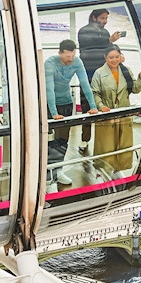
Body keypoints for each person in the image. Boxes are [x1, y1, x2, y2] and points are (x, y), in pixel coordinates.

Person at [45, 39, 98, 186]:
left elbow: (85, 84)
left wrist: (93, 106)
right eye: (67, 56)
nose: (70, 59)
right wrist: (53, 112)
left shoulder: (77, 61)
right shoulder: (50, 63)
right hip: (49, 104)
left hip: (67, 103)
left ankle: (59, 171)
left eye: (72, 56)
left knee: (63, 139)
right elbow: (49, 89)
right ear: (60, 53)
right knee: (46, 141)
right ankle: (46, 172)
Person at [91, 44, 141, 178]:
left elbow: (135, 89)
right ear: (105, 58)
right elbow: (94, 93)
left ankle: (119, 167)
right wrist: (101, 106)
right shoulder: (99, 73)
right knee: (106, 143)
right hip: (107, 113)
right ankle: (102, 168)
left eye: (116, 56)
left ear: (120, 56)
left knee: (123, 142)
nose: (114, 60)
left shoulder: (126, 71)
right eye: (111, 57)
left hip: (124, 112)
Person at [77, 8, 123, 153]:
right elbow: (89, 46)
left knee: (106, 104)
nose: (105, 21)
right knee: (88, 107)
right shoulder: (84, 31)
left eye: (106, 18)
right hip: (88, 74)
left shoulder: (105, 32)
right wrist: (109, 41)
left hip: (103, 74)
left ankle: (107, 141)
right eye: (102, 18)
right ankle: (85, 140)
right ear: (94, 17)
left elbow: (108, 50)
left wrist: (118, 54)